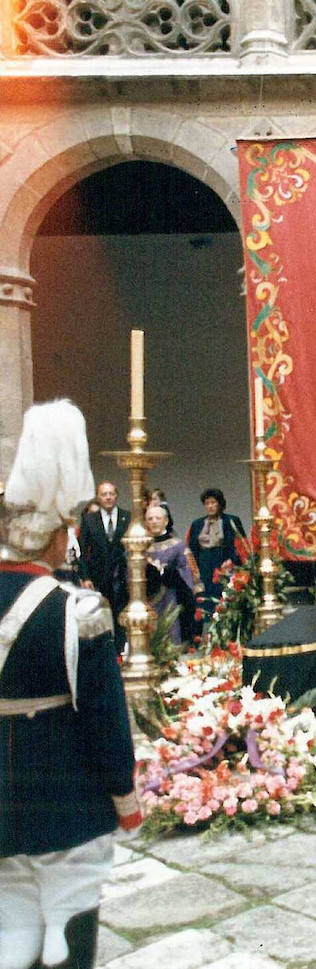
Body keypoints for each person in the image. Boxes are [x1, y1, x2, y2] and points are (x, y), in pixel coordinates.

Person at [0, 399, 141, 969]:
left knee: (11, 923)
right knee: (67, 926)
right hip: (66, 794)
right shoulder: (78, 610)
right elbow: (106, 719)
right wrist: (124, 796)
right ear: (60, 537)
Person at [145, 503, 201, 646]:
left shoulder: (178, 546)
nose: (154, 521)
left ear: (166, 521)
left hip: (170, 598)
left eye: (158, 518)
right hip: (146, 601)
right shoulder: (140, 546)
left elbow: (187, 574)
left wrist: (166, 573)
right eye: (150, 518)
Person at [184, 487, 246, 608]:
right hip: (204, 564)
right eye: (207, 503)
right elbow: (192, 548)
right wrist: (194, 571)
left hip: (223, 562)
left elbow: (241, 544)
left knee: (224, 597)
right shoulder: (197, 524)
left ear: (220, 503)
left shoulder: (231, 520)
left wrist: (232, 561)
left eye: (213, 502)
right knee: (206, 598)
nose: (210, 506)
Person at [76, 481, 128, 619]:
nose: (108, 497)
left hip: (123, 578)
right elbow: (81, 550)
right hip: (98, 578)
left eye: (111, 493)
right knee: (102, 617)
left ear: (117, 496)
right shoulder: (89, 520)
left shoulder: (128, 517)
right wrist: (85, 577)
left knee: (122, 618)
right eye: (104, 494)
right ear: (98, 497)